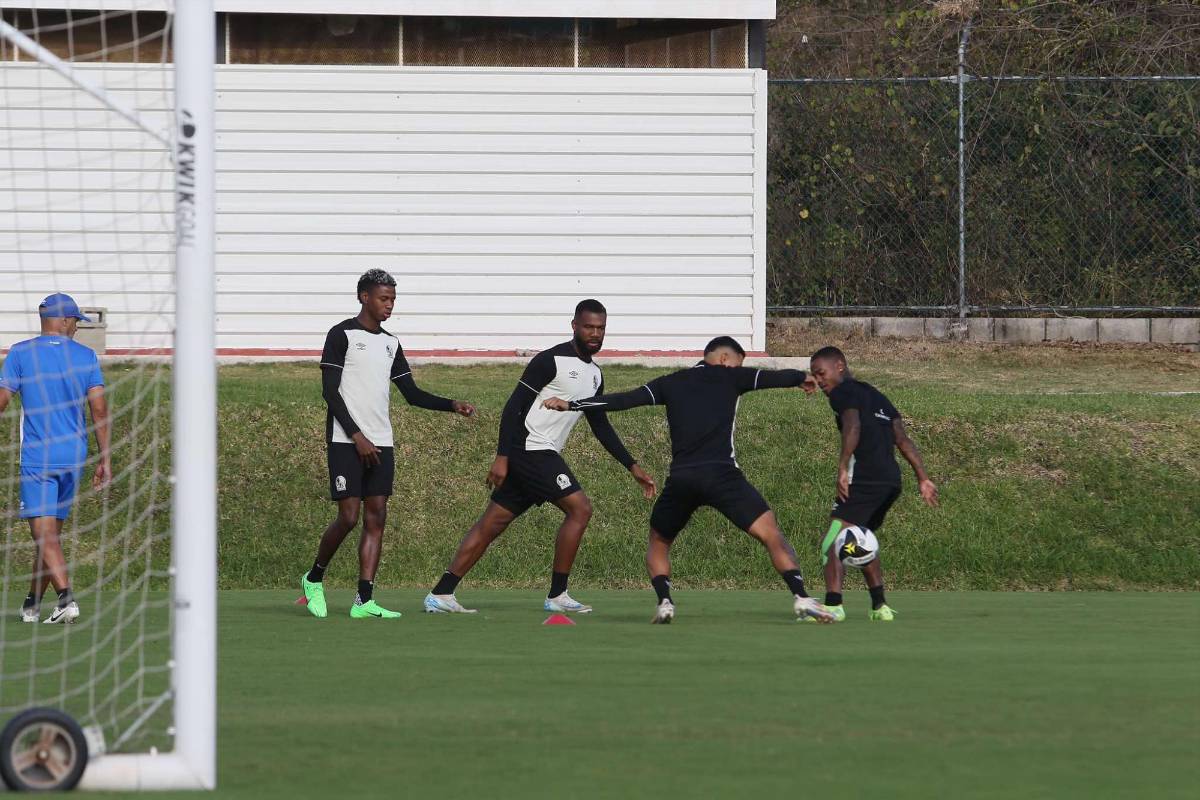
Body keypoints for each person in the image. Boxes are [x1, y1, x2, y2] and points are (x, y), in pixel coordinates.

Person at [542, 335, 835, 624]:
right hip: (723, 476)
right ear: (724, 359)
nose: (737, 368)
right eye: (736, 363)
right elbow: (772, 377)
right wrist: (800, 377)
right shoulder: (730, 376)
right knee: (771, 534)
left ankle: (665, 602)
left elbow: (623, 400)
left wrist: (572, 405)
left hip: (682, 479)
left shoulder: (670, 382)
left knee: (658, 541)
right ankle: (801, 597)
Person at [423, 299, 656, 615]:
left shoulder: (595, 375)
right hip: (531, 449)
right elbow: (513, 407)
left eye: (600, 328)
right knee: (580, 509)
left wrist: (633, 466)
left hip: (538, 453)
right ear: (574, 325)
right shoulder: (550, 360)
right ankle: (558, 594)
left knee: (492, 523)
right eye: (588, 326)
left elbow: (600, 424)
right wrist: (502, 456)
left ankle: (441, 593)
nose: (595, 333)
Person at [300, 269, 475, 620]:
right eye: (384, 298)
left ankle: (364, 600)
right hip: (345, 439)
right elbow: (329, 393)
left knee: (376, 517)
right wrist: (356, 435)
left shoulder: (391, 343)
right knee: (349, 517)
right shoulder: (341, 335)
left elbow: (410, 394)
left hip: (382, 442)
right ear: (364, 296)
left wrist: (451, 405)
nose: (389, 306)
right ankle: (314, 578)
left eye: (393, 299)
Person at [806, 346, 938, 622]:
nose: (819, 381)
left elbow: (852, 425)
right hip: (890, 482)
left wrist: (842, 466)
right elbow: (902, 439)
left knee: (831, 540)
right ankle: (880, 607)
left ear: (839, 366)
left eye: (821, 373)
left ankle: (833, 606)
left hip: (864, 479)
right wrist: (922, 477)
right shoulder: (877, 396)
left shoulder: (843, 393)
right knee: (859, 541)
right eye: (815, 376)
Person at [0, 293, 111, 624]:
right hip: (73, 455)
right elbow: (99, 408)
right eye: (76, 321)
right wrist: (105, 457)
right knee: (50, 537)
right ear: (62, 321)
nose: (77, 327)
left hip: (39, 456)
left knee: (44, 536)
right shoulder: (87, 357)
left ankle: (66, 598)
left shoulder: (20, 354)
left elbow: (2, 401)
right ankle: (32, 603)